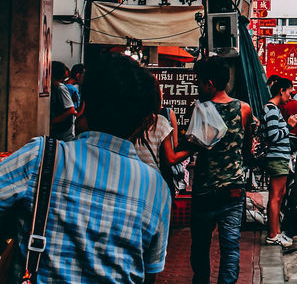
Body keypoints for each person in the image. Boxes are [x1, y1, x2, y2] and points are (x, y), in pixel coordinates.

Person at [0, 53, 170, 283]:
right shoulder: (156, 188)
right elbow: (149, 271)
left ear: (84, 104)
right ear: (142, 122)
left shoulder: (42, 157)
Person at [187, 56, 253, 284]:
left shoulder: (200, 110)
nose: (198, 86)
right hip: (233, 188)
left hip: (205, 187)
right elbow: (246, 149)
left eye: (199, 82)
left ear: (210, 84)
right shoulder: (244, 109)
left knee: (200, 245)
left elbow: (192, 145)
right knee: (230, 246)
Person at [263, 75, 297, 247]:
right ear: (281, 91)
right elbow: (273, 136)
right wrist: (289, 125)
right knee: (275, 196)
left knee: (280, 195)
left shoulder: (274, 109)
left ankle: (276, 232)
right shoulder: (271, 109)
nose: (290, 96)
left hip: (281, 157)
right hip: (276, 157)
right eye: (289, 92)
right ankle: (272, 234)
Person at [50, 61, 77, 141]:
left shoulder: (60, 88)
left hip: (64, 135)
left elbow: (71, 110)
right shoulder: (55, 88)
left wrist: (53, 121)